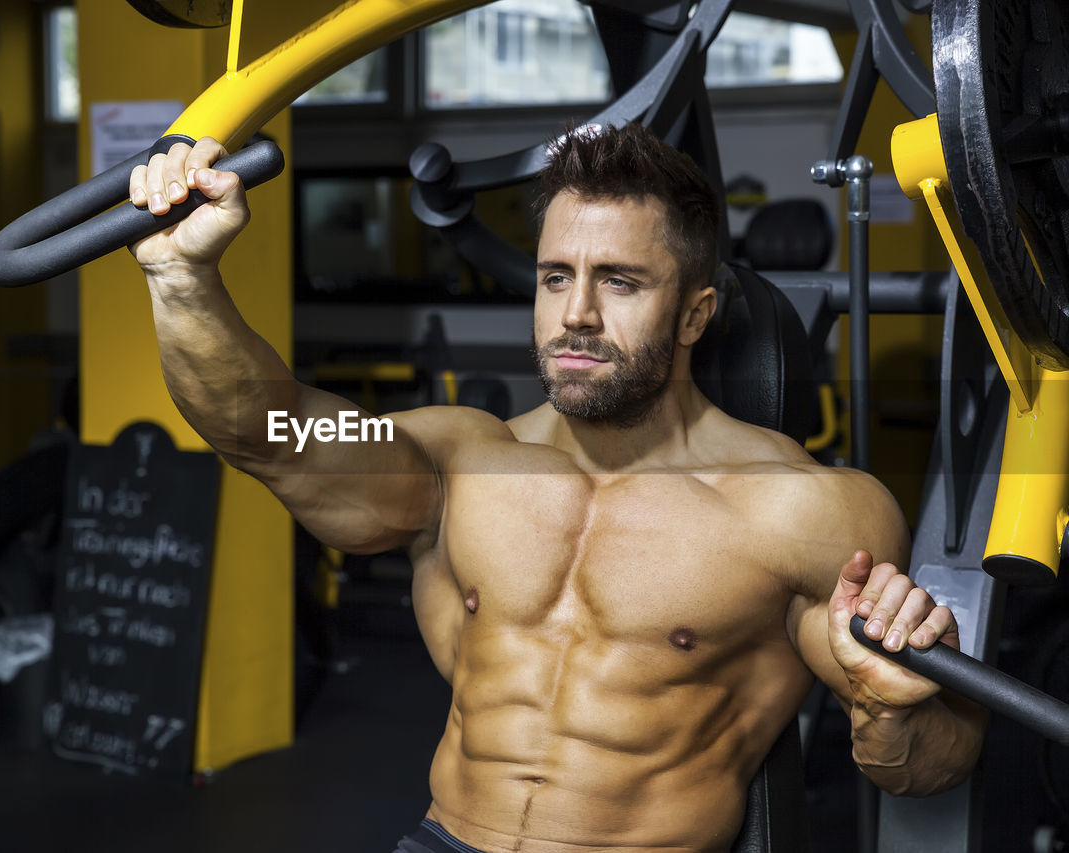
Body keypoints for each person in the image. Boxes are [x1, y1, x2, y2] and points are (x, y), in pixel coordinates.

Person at [128, 122, 986, 853]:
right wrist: (181, 280)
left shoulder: (805, 509)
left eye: (619, 281)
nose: (576, 312)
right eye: (554, 277)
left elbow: (931, 764)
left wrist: (887, 714)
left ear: (695, 312)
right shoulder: (458, 459)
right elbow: (267, 430)